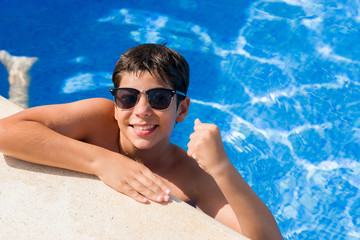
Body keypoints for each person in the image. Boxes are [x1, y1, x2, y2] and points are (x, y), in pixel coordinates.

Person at [0, 44, 282, 239]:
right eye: (128, 97)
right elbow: (7, 132)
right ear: (115, 103)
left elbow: (267, 239)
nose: (141, 111)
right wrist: (103, 161)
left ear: (181, 109)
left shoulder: (191, 178)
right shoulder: (100, 119)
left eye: (159, 98)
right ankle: (19, 75)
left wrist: (222, 168)